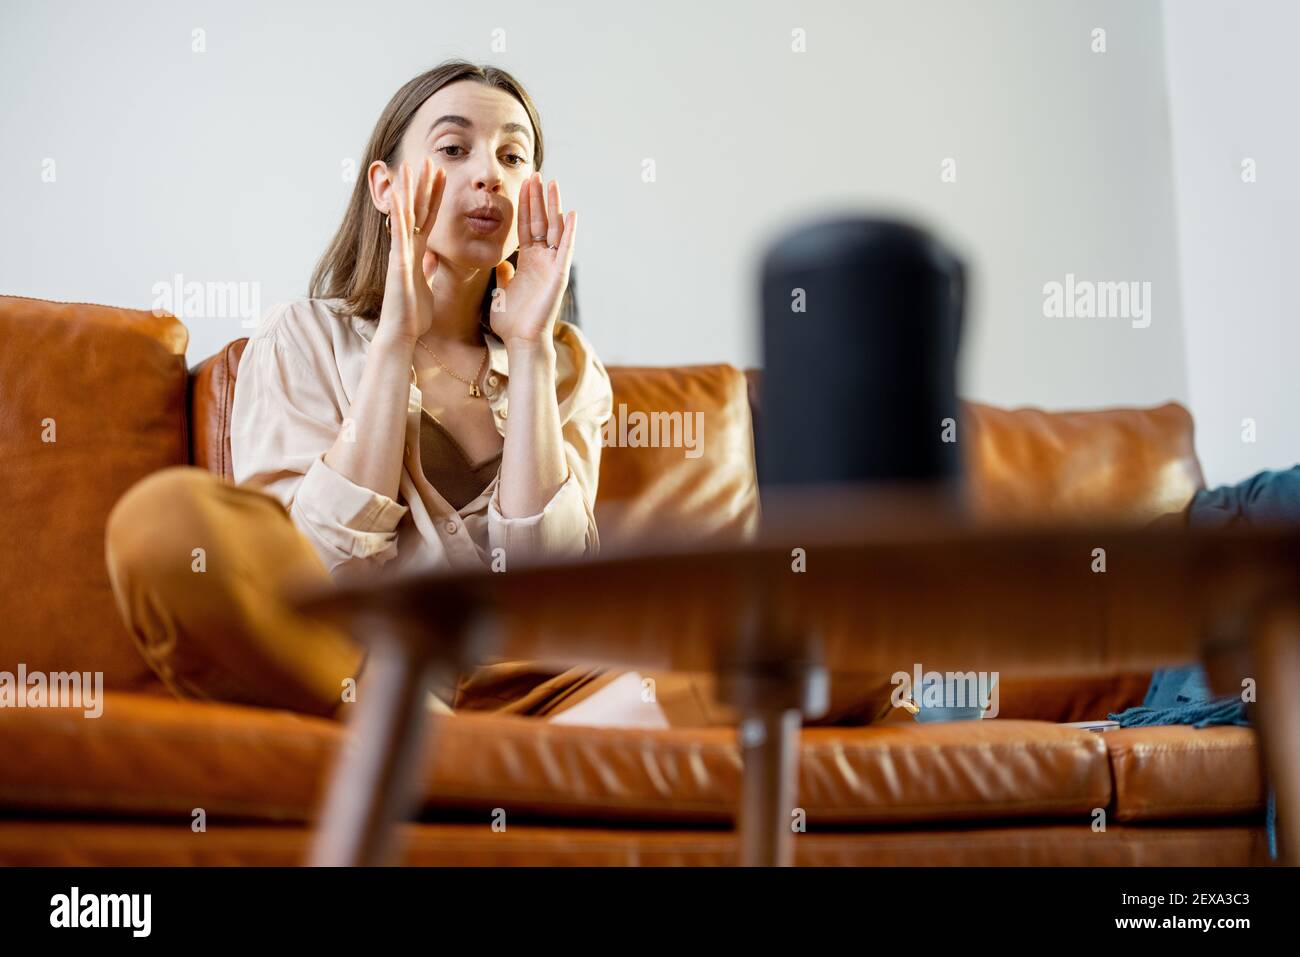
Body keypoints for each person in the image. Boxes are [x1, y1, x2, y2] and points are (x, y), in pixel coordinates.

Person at [104, 60, 676, 728]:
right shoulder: (303, 335)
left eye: (513, 156)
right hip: (360, 671)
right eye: (454, 149)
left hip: (542, 692)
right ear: (385, 185)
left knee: (754, 670)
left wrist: (529, 348)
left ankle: (447, 755)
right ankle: (430, 739)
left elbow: (546, 590)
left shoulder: (568, 366)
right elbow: (314, 570)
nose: (490, 174)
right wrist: (396, 339)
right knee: (163, 525)